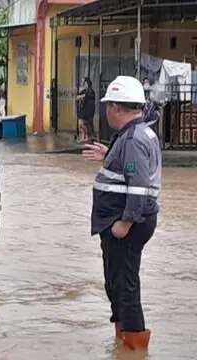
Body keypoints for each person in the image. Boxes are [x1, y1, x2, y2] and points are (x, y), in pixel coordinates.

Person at [82, 75, 161, 351]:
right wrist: (110, 154)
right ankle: (122, 345)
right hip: (120, 222)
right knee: (116, 284)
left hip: (126, 224)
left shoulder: (133, 140)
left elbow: (139, 187)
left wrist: (124, 223)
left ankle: (135, 349)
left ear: (116, 108)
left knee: (125, 287)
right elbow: (130, 172)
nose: (105, 112)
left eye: (107, 107)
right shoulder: (133, 136)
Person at [76, 77, 96, 142]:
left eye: (83, 82)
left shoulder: (91, 91)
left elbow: (87, 97)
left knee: (86, 124)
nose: (82, 83)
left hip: (88, 110)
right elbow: (77, 97)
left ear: (87, 83)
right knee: (81, 124)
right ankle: (83, 136)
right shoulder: (83, 90)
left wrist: (82, 96)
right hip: (82, 109)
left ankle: (86, 136)